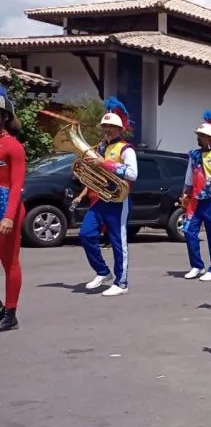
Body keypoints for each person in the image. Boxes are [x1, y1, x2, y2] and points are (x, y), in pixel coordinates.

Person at [77, 98, 139, 297]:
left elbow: (132, 174)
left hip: (118, 200)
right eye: (105, 127)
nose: (108, 130)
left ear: (120, 129)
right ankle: (103, 271)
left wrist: (106, 165)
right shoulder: (102, 148)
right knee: (86, 234)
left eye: (112, 127)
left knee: (118, 241)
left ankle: (121, 283)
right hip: (100, 198)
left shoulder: (126, 149)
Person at [181, 111, 211, 282]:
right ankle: (197, 265)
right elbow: (189, 177)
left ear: (210, 138)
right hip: (195, 200)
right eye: (198, 135)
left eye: (201, 135)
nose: (199, 138)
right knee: (188, 231)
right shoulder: (193, 155)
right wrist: (185, 196)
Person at [0, 86, 26, 331]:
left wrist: (8, 217)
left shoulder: (13, 147)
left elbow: (17, 185)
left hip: (8, 210)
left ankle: (10, 312)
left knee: (10, 263)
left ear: (5, 117)